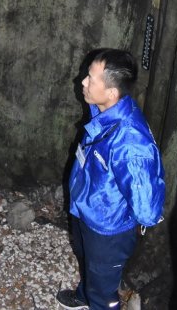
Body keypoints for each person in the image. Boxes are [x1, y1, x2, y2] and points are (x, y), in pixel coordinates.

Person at [57, 49, 165, 310]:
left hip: (108, 231)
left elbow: (148, 209)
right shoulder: (103, 111)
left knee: (103, 291)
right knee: (87, 263)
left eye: (90, 79)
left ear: (111, 92)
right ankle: (85, 296)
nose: (82, 81)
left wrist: (128, 218)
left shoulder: (131, 143)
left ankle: (97, 301)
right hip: (86, 210)